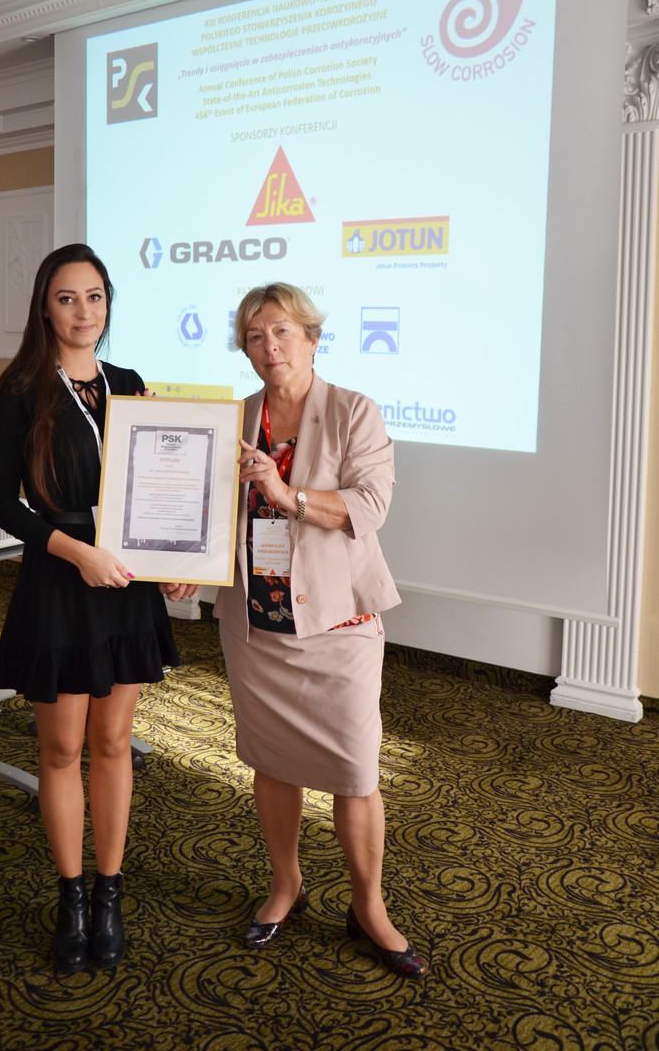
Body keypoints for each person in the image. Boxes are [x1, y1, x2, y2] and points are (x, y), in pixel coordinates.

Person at [0, 243, 196, 974]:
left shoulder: (128, 385)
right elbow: (0, 504)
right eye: (67, 298)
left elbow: (156, 487)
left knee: (113, 742)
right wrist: (79, 554)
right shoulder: (19, 389)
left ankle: (109, 894)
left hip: (126, 585)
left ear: (109, 304)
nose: (83, 311)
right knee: (61, 749)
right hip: (61, 582)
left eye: (95, 296)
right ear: (44, 307)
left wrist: (172, 563)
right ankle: (70, 898)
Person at [214, 282, 426, 979]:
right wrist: (188, 569)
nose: (269, 346)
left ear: (312, 338)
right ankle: (287, 885)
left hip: (338, 621)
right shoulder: (235, 418)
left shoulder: (353, 411)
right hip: (258, 624)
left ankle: (369, 905)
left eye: (282, 331)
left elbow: (370, 505)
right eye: (254, 336)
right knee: (272, 761)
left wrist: (287, 494)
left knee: (356, 770)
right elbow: (211, 514)